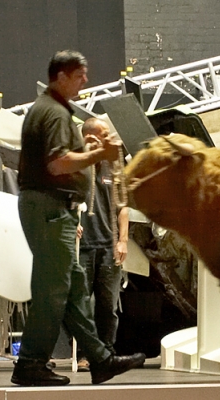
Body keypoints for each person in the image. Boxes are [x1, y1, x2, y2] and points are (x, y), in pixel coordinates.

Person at [11, 50, 145, 386]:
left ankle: (99, 359)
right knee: (53, 291)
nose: (85, 80)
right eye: (79, 75)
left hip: (51, 210)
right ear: (61, 77)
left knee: (70, 288)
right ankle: (30, 363)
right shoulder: (55, 113)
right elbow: (57, 164)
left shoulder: (50, 110)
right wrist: (100, 153)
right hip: (51, 210)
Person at [75, 118, 130, 372]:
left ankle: (106, 353)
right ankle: (85, 354)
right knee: (82, 304)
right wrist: (70, 223)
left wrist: (123, 241)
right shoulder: (76, 165)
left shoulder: (113, 165)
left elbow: (123, 207)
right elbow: (64, 200)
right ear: (88, 137)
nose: (107, 139)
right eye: (102, 135)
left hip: (108, 247)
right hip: (83, 246)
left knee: (108, 306)